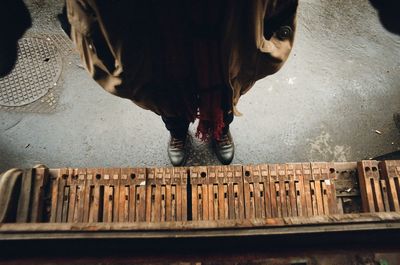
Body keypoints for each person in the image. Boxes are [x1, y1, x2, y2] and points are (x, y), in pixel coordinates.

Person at [66, 0, 298, 166]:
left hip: (228, 40)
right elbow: (85, 17)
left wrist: (265, 54)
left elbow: (282, 10)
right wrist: (124, 77)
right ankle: (178, 132)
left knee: (224, 94)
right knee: (169, 99)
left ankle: (220, 129)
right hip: (159, 46)